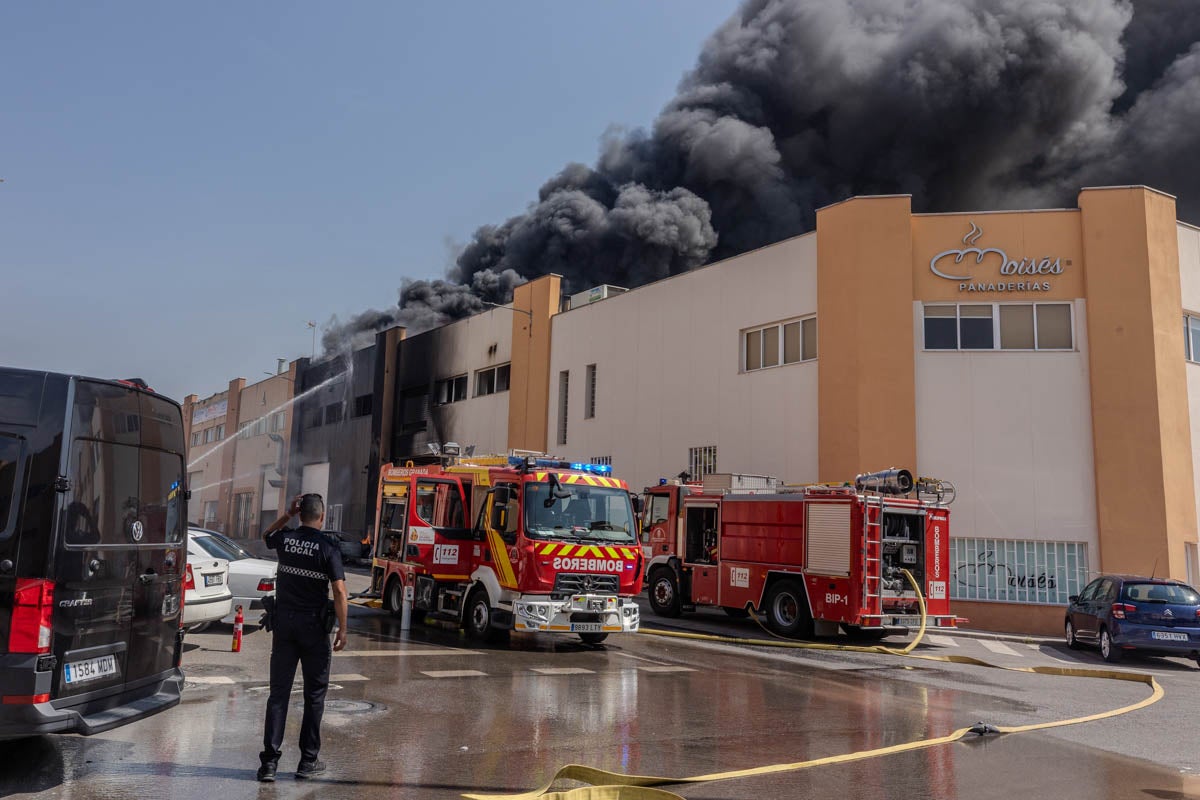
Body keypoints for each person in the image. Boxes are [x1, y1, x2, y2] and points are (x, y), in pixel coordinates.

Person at [256, 493, 348, 782]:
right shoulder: (327, 547)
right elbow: (340, 592)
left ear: (300, 514)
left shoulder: (285, 538)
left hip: (284, 626)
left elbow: (266, 534)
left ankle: (269, 765)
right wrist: (343, 629)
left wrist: (286, 514)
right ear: (322, 517)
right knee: (314, 696)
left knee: (278, 695)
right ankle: (308, 761)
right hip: (314, 630)